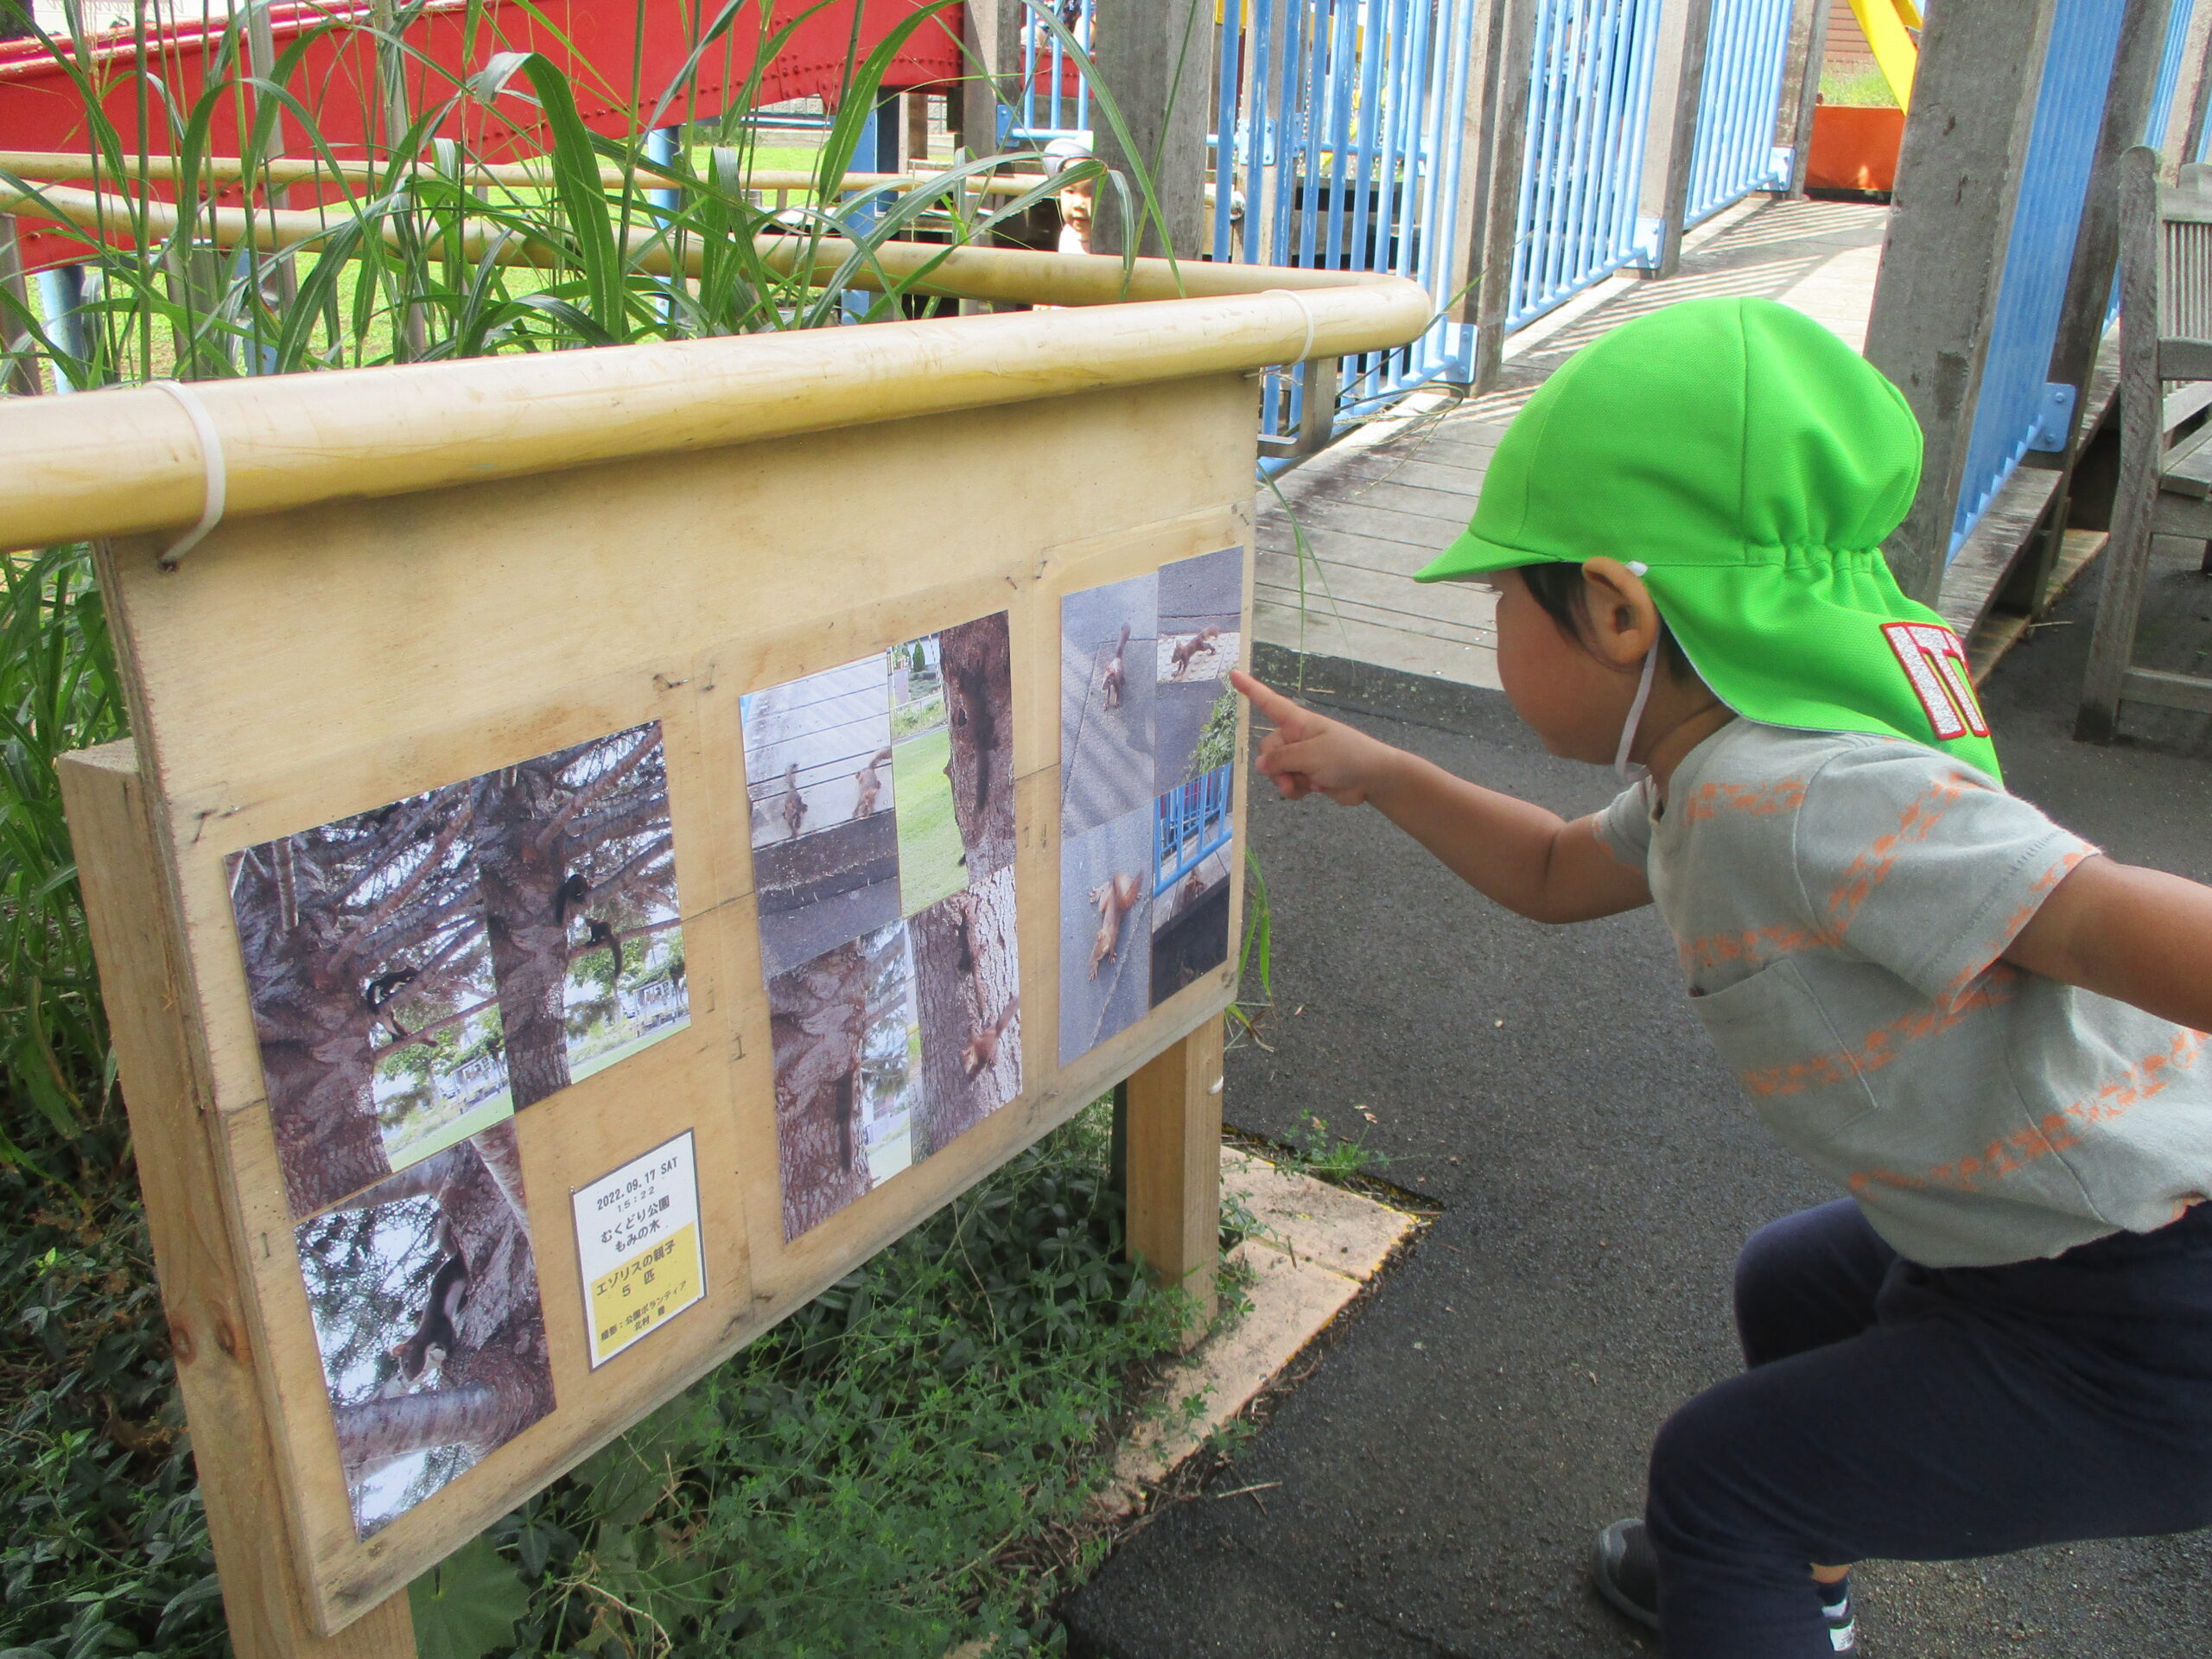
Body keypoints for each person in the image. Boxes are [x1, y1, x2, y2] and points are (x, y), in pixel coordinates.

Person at [1229, 295, 2212, 1659]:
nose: (1495, 619)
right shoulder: (1715, 758)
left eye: (1506, 595)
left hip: (2140, 1302)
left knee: (1723, 1477)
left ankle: (1753, 1551)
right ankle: (1790, 1575)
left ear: (1620, 612)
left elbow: (2096, 921)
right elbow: (1561, 873)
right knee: (1793, 1287)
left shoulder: (1793, 790)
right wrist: (1382, 768)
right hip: (2041, 1224)